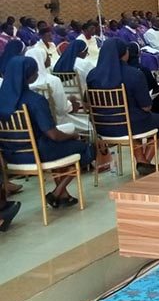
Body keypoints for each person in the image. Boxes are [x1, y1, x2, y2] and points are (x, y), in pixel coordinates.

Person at [0, 56, 95, 207]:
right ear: (28, 76)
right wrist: (73, 135)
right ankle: (58, 191)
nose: (37, 73)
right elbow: (53, 135)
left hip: (10, 156)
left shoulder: (3, 100)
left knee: (61, 148)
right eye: (35, 71)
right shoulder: (35, 100)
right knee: (87, 148)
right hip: (38, 153)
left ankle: (63, 195)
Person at [87, 38, 159, 176]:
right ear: (124, 53)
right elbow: (146, 107)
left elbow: (87, 103)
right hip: (129, 125)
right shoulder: (134, 74)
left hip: (102, 127)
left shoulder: (92, 75)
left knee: (134, 120)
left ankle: (143, 162)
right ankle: (144, 162)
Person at [25, 47, 90, 132]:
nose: (49, 58)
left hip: (33, 125)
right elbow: (62, 109)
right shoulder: (52, 80)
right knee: (89, 124)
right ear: (42, 59)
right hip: (58, 122)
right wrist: (71, 103)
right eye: (48, 56)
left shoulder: (25, 82)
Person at [127, 43, 159, 116]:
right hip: (143, 109)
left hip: (127, 110)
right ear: (138, 54)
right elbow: (154, 88)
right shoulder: (142, 70)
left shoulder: (121, 71)